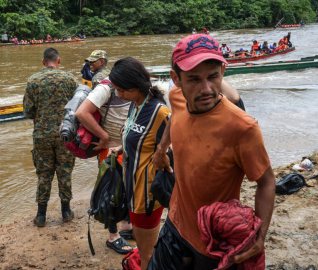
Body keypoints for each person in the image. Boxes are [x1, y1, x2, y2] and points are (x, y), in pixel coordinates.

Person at [149, 34, 275, 269]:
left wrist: (261, 235)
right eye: (194, 79)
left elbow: (267, 182)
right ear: (176, 79)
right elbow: (175, 118)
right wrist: (161, 149)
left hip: (212, 241)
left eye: (213, 77)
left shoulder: (242, 127)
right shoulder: (177, 97)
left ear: (223, 73)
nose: (206, 89)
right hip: (175, 224)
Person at [104, 57, 169, 269]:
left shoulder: (160, 112)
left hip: (147, 193)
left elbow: (177, 148)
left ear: (137, 86)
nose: (119, 96)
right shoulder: (135, 105)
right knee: (142, 247)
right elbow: (134, 136)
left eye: (122, 91)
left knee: (147, 252)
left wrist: (162, 153)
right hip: (131, 187)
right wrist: (121, 147)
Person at [75, 55, 134, 254]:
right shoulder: (105, 88)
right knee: (111, 194)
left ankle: (125, 226)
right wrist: (104, 137)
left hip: (125, 148)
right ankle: (112, 236)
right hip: (110, 151)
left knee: (126, 189)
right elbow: (81, 113)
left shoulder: (132, 89)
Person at [23, 47, 78, 227]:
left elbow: (28, 112)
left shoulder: (33, 81)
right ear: (59, 60)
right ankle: (66, 212)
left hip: (42, 135)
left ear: (43, 62)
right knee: (65, 172)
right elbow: (78, 108)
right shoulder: (70, 80)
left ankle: (41, 216)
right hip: (66, 134)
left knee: (44, 174)